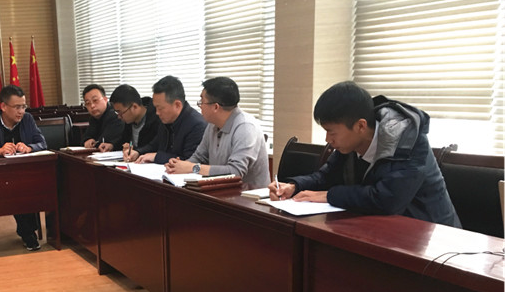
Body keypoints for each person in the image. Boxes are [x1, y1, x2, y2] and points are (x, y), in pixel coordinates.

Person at [269, 81, 461, 226]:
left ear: (360, 126)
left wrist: (330, 195)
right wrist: (295, 186)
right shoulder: (350, 144)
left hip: (433, 237)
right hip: (384, 231)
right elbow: (325, 177)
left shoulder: (408, 142)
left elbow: (388, 200)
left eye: (332, 132)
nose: (328, 139)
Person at [0, 85, 47, 250]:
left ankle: (27, 231)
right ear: (3, 106)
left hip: (25, 174)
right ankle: (28, 233)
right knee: (16, 187)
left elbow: (42, 142)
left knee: (25, 185)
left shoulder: (27, 119)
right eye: (17, 107)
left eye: (23, 106)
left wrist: (29, 148)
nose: (21, 111)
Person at [165, 77, 270, 188]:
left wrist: (192, 168)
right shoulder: (213, 125)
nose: (200, 106)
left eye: (202, 102)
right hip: (221, 191)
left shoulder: (246, 127)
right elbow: (199, 157)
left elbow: (236, 172)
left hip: (248, 196)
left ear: (215, 107)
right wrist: (179, 166)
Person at [125, 75, 205, 164]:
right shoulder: (166, 120)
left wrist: (156, 157)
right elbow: (154, 145)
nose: (157, 113)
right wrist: (138, 152)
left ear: (177, 105)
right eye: (155, 108)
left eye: (160, 108)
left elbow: (189, 162)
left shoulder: (197, 125)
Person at [108, 84, 161, 158]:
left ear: (134, 107)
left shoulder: (157, 118)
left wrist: (136, 150)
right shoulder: (129, 120)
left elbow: (155, 146)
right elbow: (124, 140)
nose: (119, 117)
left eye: (120, 112)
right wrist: (112, 145)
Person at [80, 84, 124, 150]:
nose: (92, 106)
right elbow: (86, 136)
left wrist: (93, 142)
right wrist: (87, 140)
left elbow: (104, 141)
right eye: (88, 103)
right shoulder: (94, 118)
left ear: (105, 99)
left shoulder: (115, 115)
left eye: (95, 100)